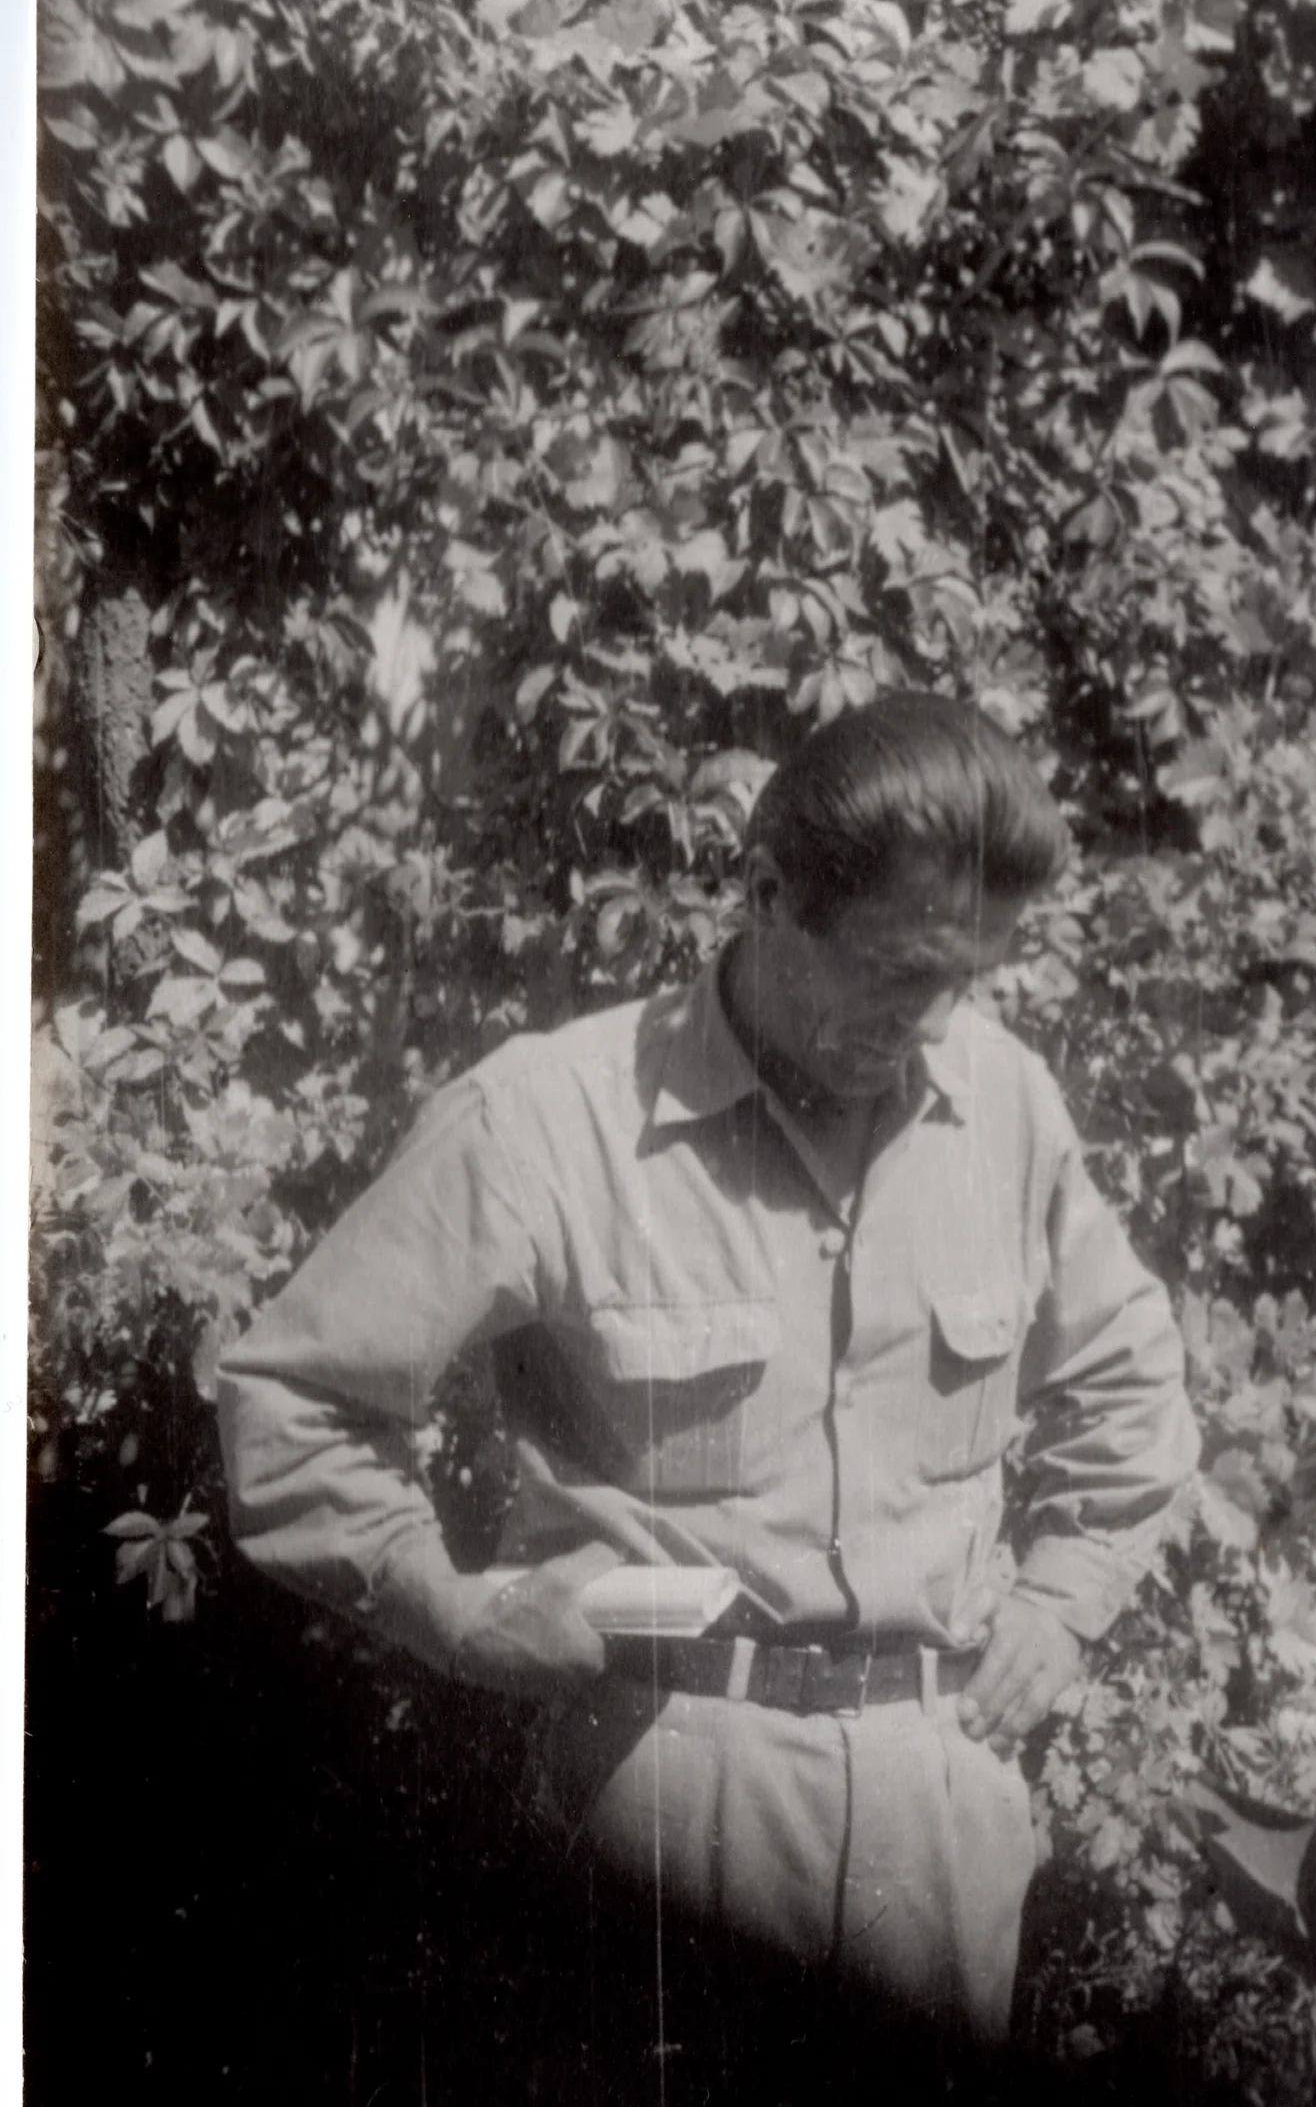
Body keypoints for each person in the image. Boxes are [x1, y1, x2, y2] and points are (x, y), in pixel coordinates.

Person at [219, 693, 1198, 2039]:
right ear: (769, 895)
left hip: (941, 1822)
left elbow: (1134, 1383)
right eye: (900, 969)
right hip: (665, 1810)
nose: (933, 1020)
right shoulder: (551, 1121)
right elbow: (295, 1399)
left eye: (968, 979)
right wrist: (447, 1607)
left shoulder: (1005, 1107)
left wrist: (1064, 1601)